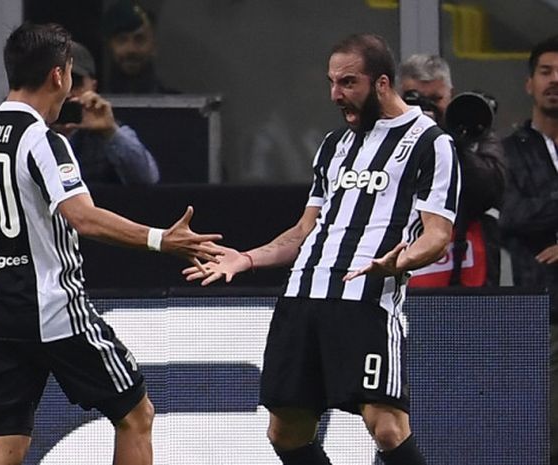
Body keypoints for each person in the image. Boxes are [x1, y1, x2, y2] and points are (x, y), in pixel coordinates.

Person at [184, 33, 459, 465]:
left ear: (382, 83)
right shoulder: (334, 146)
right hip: (302, 299)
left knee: (386, 426)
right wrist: (248, 258)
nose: (336, 94)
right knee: (285, 432)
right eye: (332, 82)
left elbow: (437, 234)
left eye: (348, 83)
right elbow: (303, 232)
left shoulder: (431, 143)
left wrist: (399, 262)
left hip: (366, 302)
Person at [0, 22, 223, 465]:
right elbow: (81, 217)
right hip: (52, 309)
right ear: (58, 76)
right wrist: (161, 239)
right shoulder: (44, 139)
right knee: (136, 414)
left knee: (4, 446)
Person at [500, 35, 558, 465]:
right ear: (529, 83)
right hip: (540, 309)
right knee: (546, 433)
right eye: (546, 72)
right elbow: (514, 215)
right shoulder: (508, 150)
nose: (555, 81)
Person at [399, 54, 506, 287]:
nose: (427, 108)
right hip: (404, 254)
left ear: (451, 95)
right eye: (416, 100)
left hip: (463, 259)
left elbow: (491, 190)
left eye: (436, 99)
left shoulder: (475, 131)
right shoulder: (382, 136)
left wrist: (450, 139)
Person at [55, 40, 159, 184]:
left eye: (75, 83)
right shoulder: (33, 130)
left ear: (93, 86)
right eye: (57, 83)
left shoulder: (109, 132)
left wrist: (110, 132)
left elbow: (147, 178)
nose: (67, 93)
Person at [101, 1, 176, 94]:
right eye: (122, 40)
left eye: (139, 40)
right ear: (109, 47)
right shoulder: (90, 105)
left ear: (154, 46)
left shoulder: (177, 104)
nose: (131, 49)